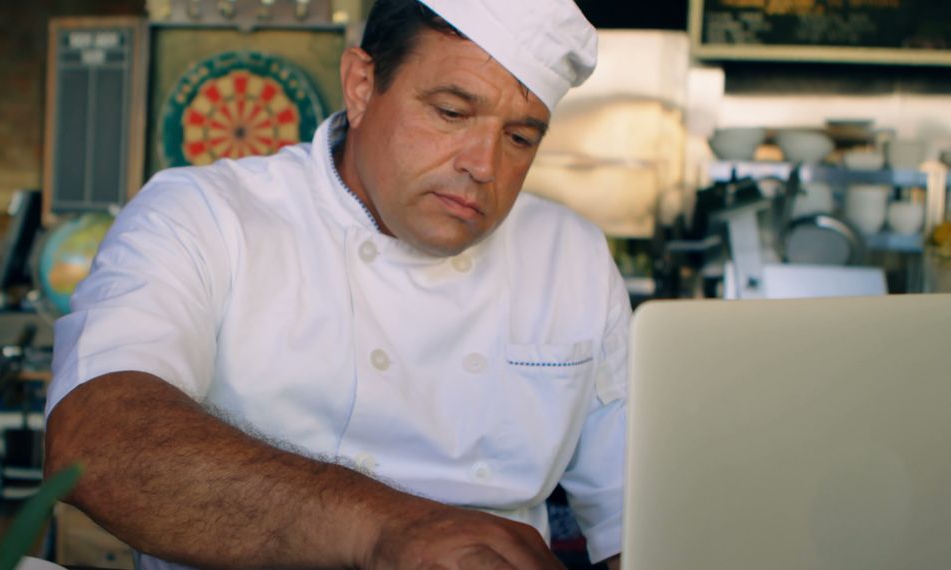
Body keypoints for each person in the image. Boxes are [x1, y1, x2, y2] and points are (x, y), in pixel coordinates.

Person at [44, 0, 630, 568]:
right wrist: (388, 531)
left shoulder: (572, 258)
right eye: (451, 112)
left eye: (521, 138)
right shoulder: (205, 216)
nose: (484, 164)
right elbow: (96, 441)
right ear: (360, 85)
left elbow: (640, 515)